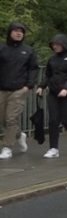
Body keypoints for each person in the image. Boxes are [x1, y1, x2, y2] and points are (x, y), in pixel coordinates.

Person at [36, 34, 67, 159]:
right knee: (53, 120)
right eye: (53, 45)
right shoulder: (52, 59)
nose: (55, 47)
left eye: (57, 44)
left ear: (63, 44)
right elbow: (48, 75)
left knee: (66, 120)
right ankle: (53, 148)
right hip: (53, 93)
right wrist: (41, 86)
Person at [0, 22, 39, 159]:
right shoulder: (2, 48)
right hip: (2, 89)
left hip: (19, 89)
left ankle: (7, 147)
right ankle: (19, 135)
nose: (18, 33)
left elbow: (33, 69)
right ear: (10, 32)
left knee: (11, 118)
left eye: (21, 31)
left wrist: (28, 86)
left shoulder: (28, 50)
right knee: (2, 118)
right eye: (15, 30)